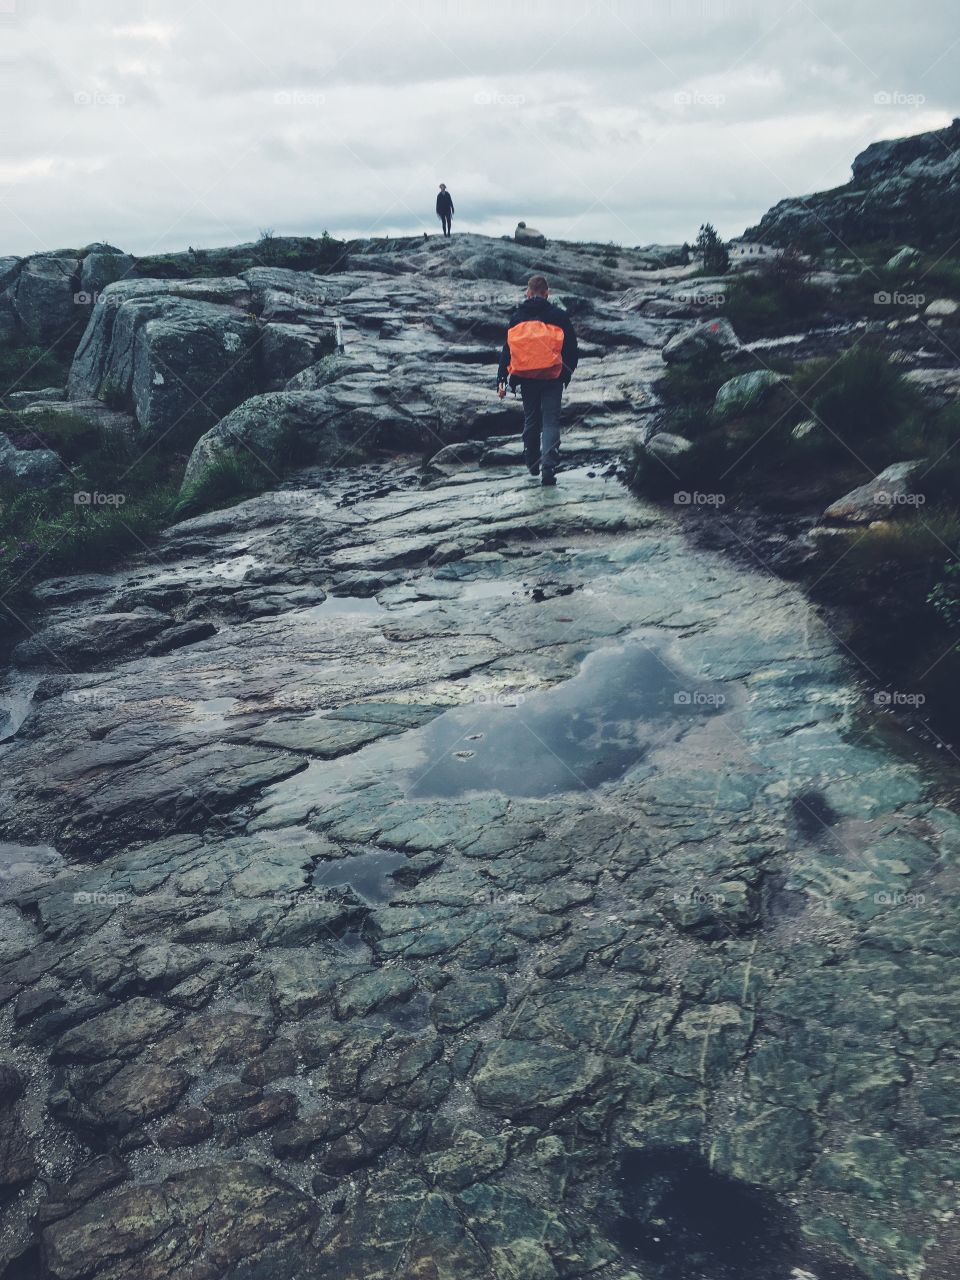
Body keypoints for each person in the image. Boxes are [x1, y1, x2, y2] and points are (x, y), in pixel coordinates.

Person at [496, 275, 578, 486]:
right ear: (546, 293)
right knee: (551, 420)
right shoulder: (558, 316)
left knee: (531, 419)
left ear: (528, 293)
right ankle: (548, 466)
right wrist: (565, 374)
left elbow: (507, 351)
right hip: (552, 377)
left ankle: (532, 461)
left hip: (525, 377)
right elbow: (572, 350)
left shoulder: (517, 317)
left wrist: (502, 379)